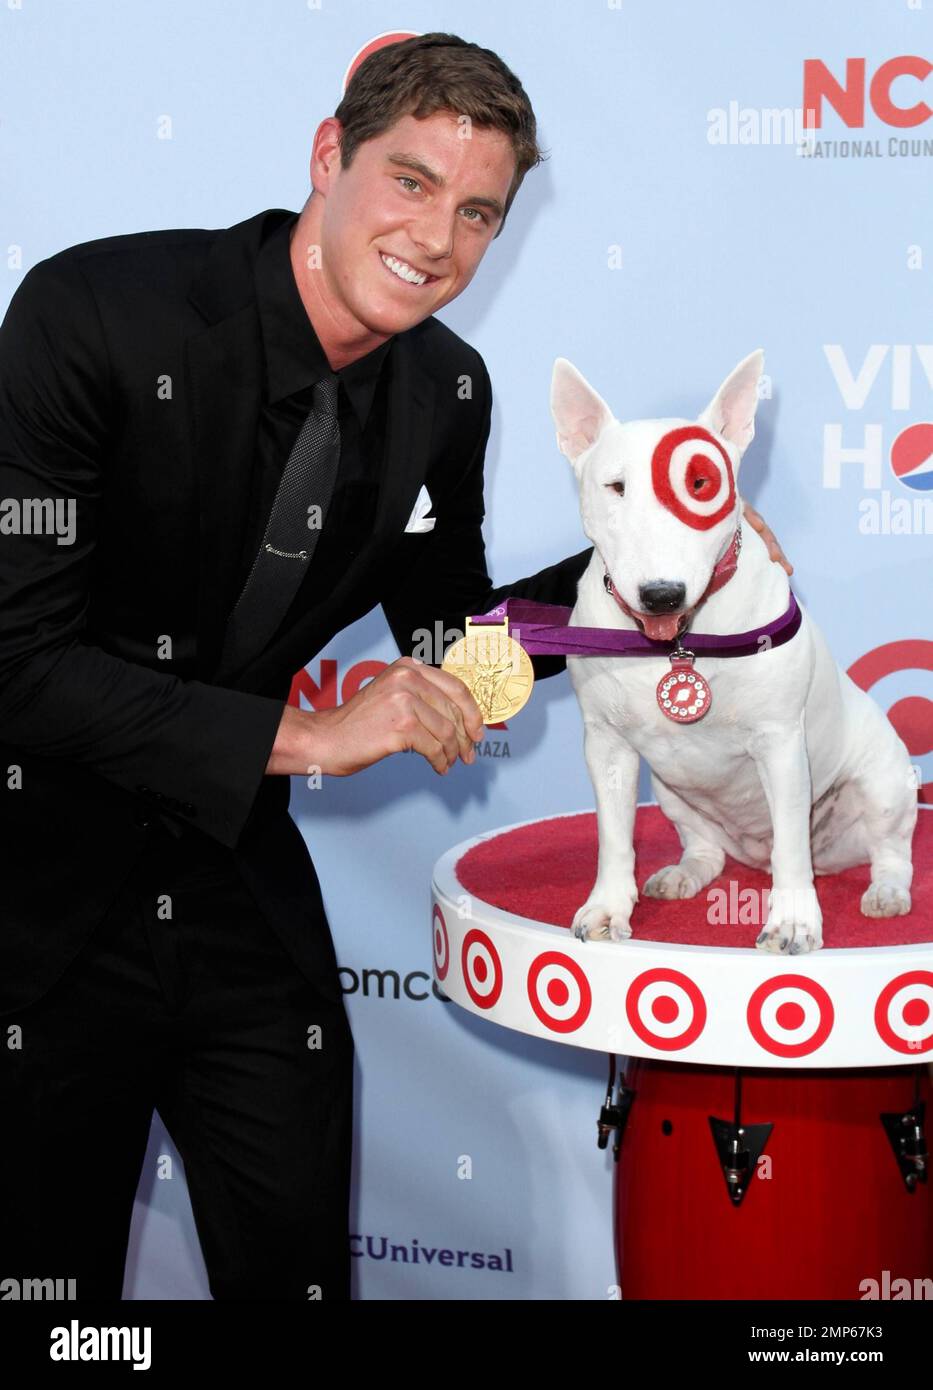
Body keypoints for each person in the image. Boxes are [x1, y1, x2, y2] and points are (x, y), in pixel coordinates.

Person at [0, 32, 791, 1302]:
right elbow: (17, 663)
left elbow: (444, 646)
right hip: (33, 889)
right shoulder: (94, 313)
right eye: (412, 183)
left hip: (230, 885)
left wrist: (660, 578)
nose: (439, 239)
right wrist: (310, 736)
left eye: (478, 211)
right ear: (330, 155)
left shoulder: (447, 390)